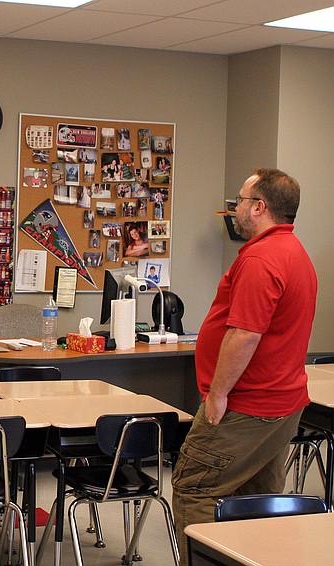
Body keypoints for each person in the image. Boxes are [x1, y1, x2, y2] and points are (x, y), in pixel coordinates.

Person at [171, 168, 317, 565]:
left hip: (246, 406)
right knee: (256, 499)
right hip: (280, 404)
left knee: (195, 488)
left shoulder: (260, 258)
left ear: (259, 207)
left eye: (240, 200)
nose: (234, 208)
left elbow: (244, 334)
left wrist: (217, 395)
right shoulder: (295, 252)